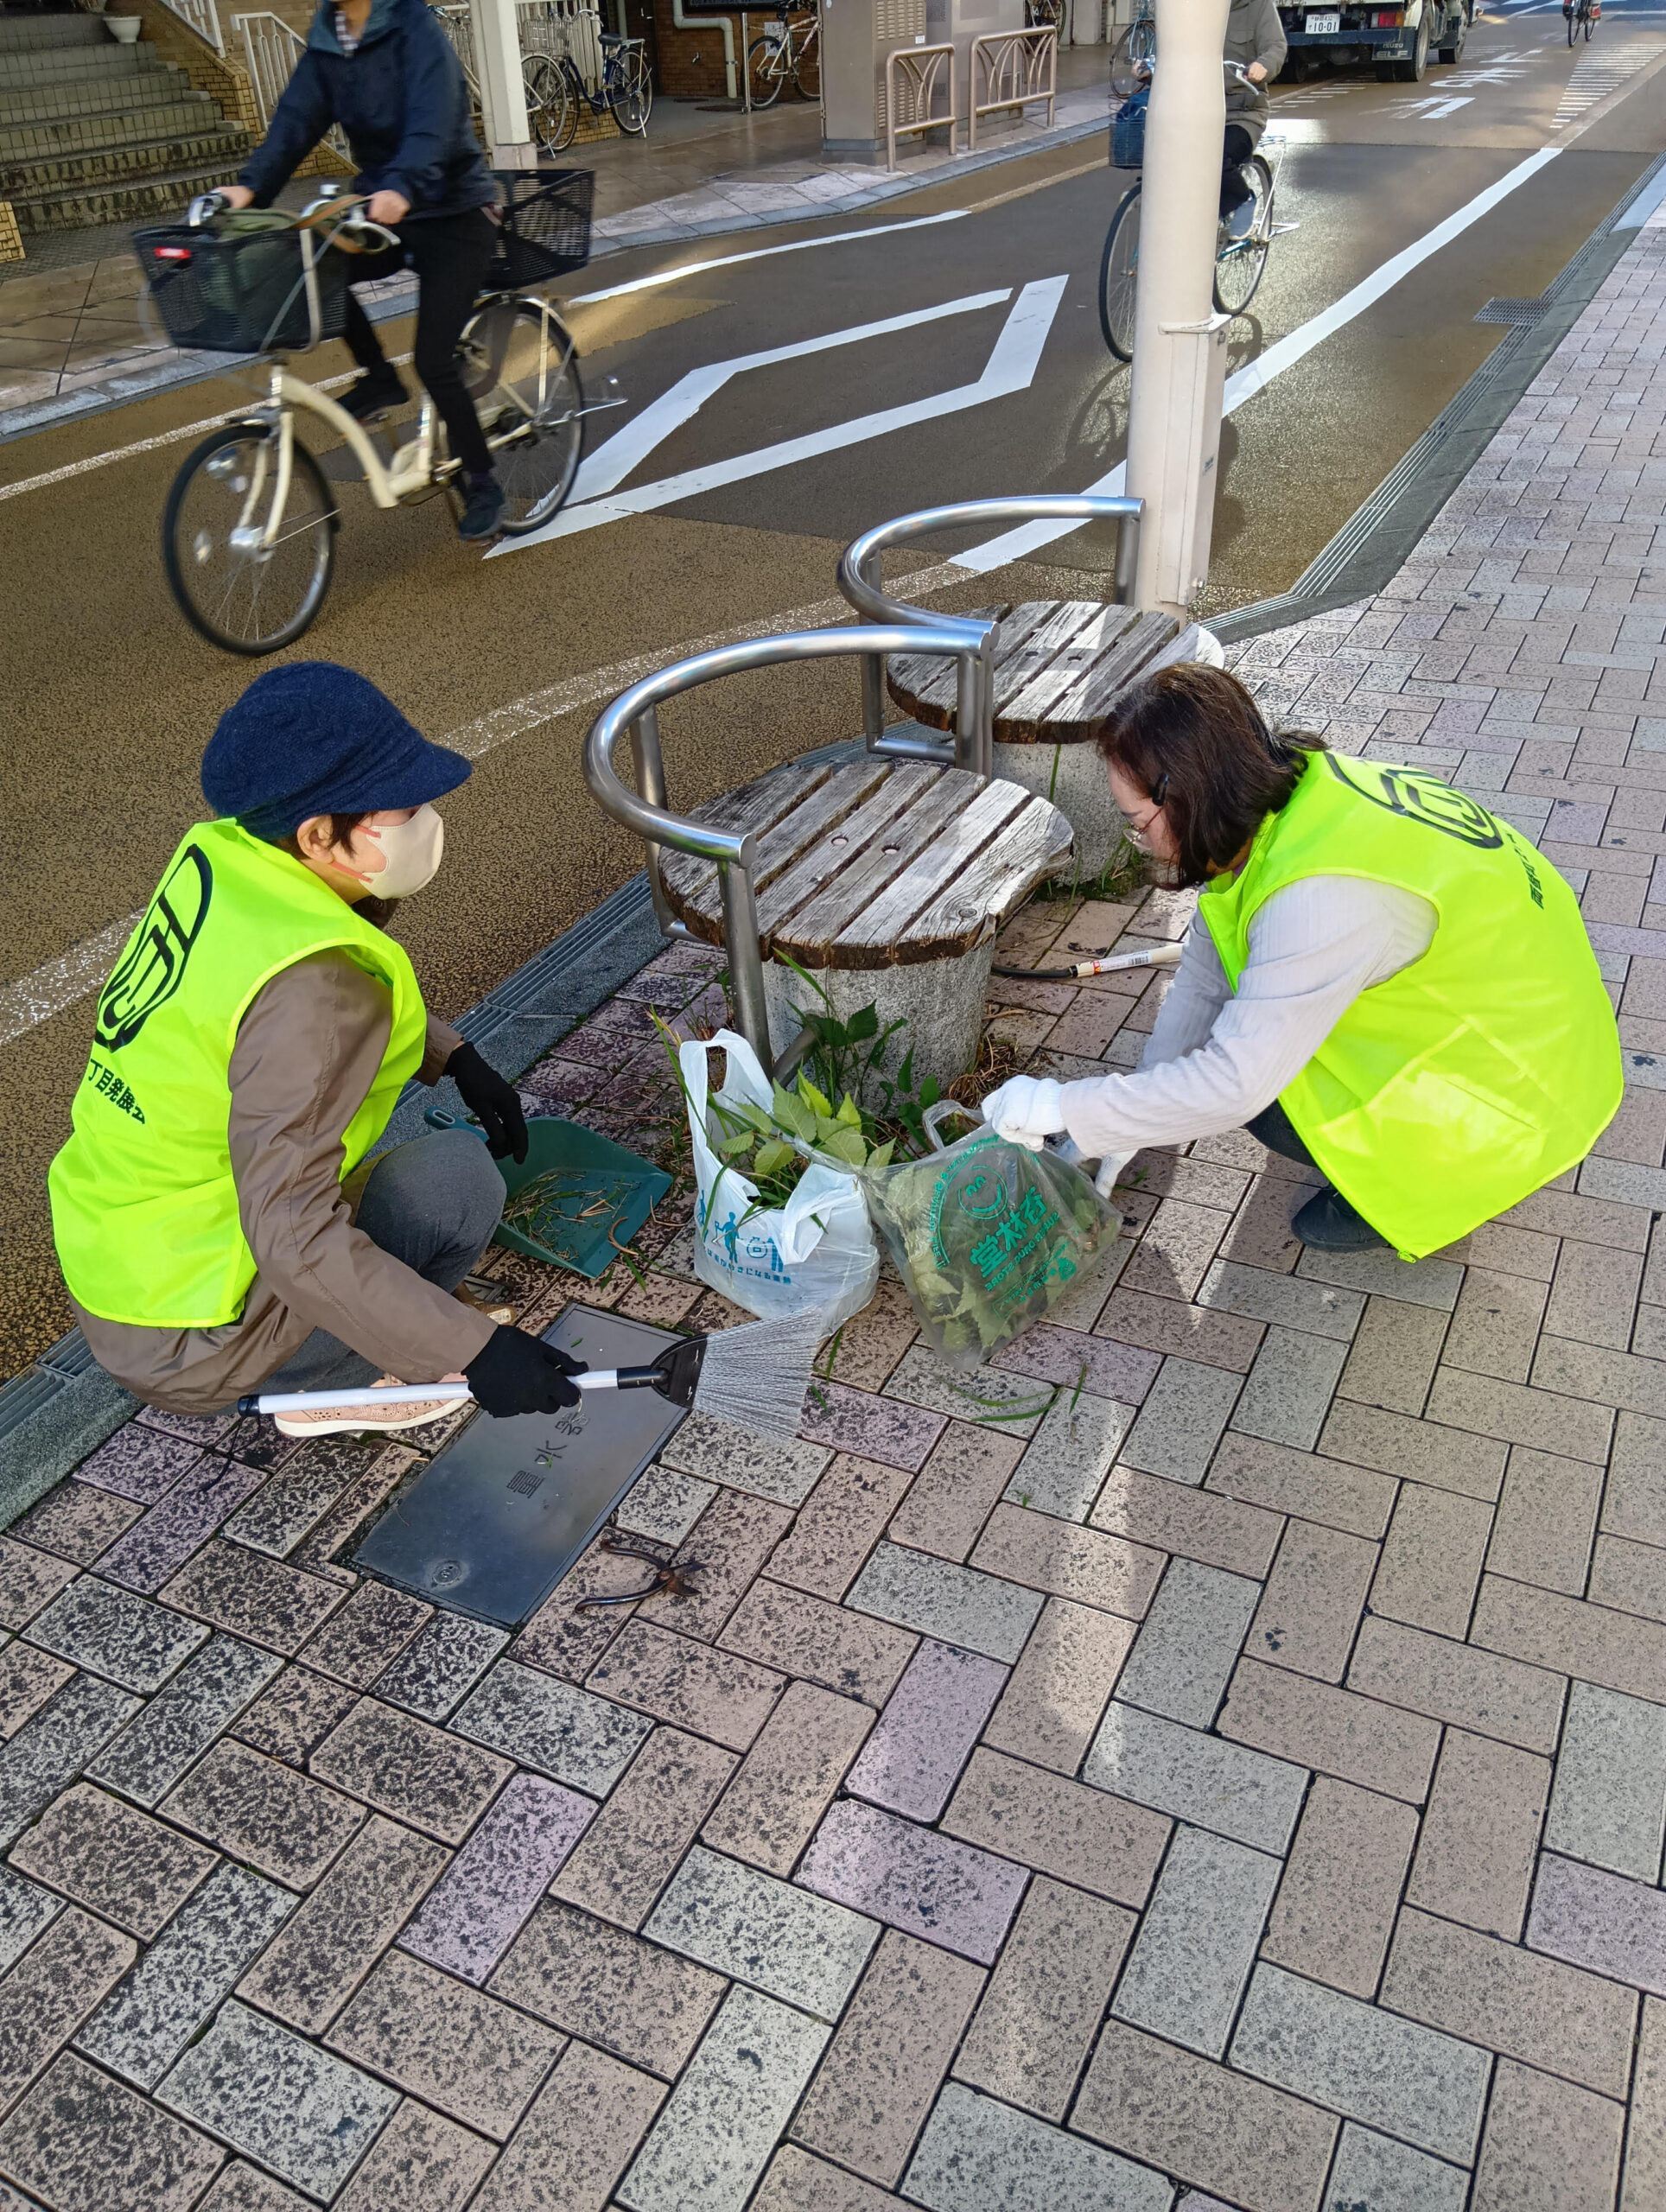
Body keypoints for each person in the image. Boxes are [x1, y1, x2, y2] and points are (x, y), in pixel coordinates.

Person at [48, 664, 586, 1436]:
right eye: (405, 806)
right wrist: (475, 1351)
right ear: (318, 835)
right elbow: (293, 1233)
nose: (426, 819)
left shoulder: (229, 857)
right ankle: (341, 1382)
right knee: (455, 1180)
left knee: (389, 1170)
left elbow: (247, 1001)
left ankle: (366, 1328)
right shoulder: (316, 989)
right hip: (200, 1344)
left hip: (129, 1266)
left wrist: (452, 1056)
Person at [980, 664, 1623, 1261]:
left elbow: (1236, 1085)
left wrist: (1068, 1107)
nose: (1140, 840)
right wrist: (1125, 1111)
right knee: (1242, 1041)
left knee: (1269, 1105)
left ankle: (1418, 1185)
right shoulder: (1297, 799)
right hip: (1531, 1020)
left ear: (1189, 796)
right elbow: (1210, 956)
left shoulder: (1319, 900)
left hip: (1513, 1095)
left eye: (1137, 823)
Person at [219, 0, 506, 543]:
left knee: (434, 359)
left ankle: (484, 480)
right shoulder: (329, 38)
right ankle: (379, 378)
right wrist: (251, 187)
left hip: (454, 213)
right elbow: (296, 121)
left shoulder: (411, 23)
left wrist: (402, 183)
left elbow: (435, 117)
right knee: (316, 269)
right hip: (385, 208)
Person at [1222, 0, 1285, 240]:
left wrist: (1262, 66)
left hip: (1243, 112)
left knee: (1214, 156)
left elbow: (1276, 47)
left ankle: (1243, 199)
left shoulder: (1258, 6)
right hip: (1198, 109)